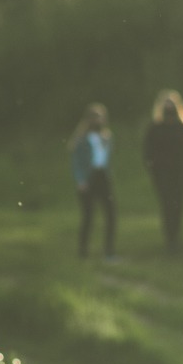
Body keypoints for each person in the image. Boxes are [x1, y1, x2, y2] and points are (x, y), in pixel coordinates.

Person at [141, 90, 183, 253]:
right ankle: (169, 239)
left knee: (179, 205)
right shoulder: (155, 128)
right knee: (167, 204)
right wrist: (154, 170)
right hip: (163, 173)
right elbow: (148, 152)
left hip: (180, 173)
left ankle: (175, 239)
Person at [69, 103, 116, 260]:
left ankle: (109, 251)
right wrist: (80, 180)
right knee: (88, 216)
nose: (98, 120)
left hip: (103, 177)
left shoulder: (106, 137)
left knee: (111, 214)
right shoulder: (81, 139)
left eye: (101, 117)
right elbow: (76, 161)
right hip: (89, 178)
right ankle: (83, 251)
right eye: (95, 117)